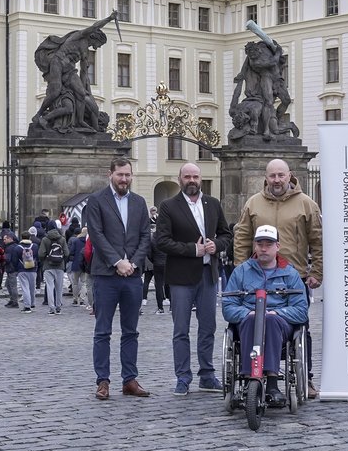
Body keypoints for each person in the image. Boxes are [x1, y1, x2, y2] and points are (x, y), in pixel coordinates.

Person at [234, 157, 323, 399]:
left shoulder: (306, 204)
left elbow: (317, 239)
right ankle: (250, 376)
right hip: (256, 276)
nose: (276, 180)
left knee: (301, 329)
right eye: (272, 176)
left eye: (280, 175)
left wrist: (317, 271)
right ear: (266, 177)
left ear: (289, 175)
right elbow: (242, 236)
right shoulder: (253, 203)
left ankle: (308, 378)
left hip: (295, 278)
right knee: (251, 322)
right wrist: (241, 270)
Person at [156, 162, 233, 395]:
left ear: (200, 179)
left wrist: (215, 245)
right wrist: (192, 249)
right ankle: (183, 377)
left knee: (208, 327)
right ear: (180, 179)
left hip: (208, 275)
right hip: (181, 277)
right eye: (187, 176)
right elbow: (162, 241)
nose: (192, 180)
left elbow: (226, 234)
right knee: (181, 330)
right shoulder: (169, 206)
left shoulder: (213, 204)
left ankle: (207, 375)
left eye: (195, 177)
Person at [83, 156, 151, 400]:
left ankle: (129, 379)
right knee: (103, 331)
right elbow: (97, 235)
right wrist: (117, 261)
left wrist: (132, 262)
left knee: (131, 331)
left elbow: (145, 236)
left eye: (128, 175)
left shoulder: (139, 202)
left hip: (132, 275)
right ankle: (103, 381)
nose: (124, 179)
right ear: (110, 174)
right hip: (106, 275)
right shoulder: (97, 200)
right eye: (120, 174)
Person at [222, 224, 309, 407]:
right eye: (259, 243)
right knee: (253, 319)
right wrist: (248, 312)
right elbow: (228, 306)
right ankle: (248, 379)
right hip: (248, 323)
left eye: (268, 244)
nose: (263, 248)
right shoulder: (241, 271)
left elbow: (301, 310)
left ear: (278, 246)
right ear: (254, 246)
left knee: (269, 319)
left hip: (279, 325)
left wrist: (277, 312)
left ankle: (271, 384)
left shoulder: (290, 274)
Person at [39, 220, 69, 315]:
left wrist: (45, 259)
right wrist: (62, 259)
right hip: (60, 266)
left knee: (50, 287)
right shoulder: (62, 239)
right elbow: (67, 253)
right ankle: (58, 307)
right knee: (59, 288)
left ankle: (51, 308)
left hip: (48, 266)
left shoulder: (45, 239)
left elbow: (41, 254)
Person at [13, 231, 38, 312]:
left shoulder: (17, 248)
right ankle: (32, 304)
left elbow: (15, 260)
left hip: (22, 269)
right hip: (33, 269)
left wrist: (17, 268)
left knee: (25, 288)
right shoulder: (34, 246)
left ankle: (27, 306)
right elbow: (37, 257)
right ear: (30, 237)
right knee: (32, 288)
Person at [68, 226, 89, 306]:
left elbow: (71, 252)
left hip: (76, 264)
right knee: (84, 283)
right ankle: (82, 299)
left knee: (75, 283)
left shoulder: (76, 241)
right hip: (85, 264)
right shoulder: (89, 241)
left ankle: (75, 299)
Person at [1, 230, 21, 308]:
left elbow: (7, 259)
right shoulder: (16, 246)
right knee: (8, 285)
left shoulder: (9, 248)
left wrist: (2, 260)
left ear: (10, 239)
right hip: (14, 268)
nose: (4, 241)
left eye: (5, 239)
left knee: (12, 286)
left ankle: (15, 301)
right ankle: (12, 299)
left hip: (11, 268)